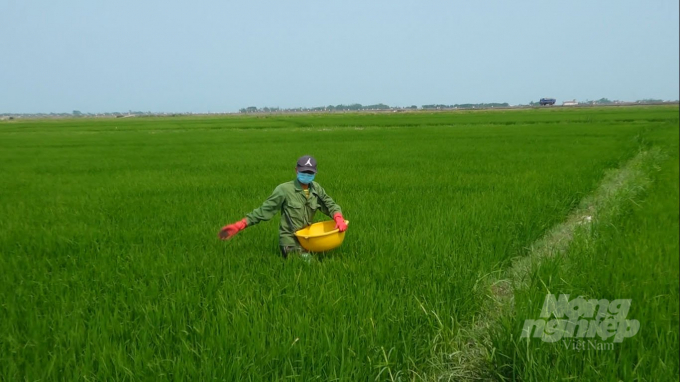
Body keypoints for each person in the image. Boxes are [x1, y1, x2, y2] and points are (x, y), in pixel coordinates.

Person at [218, 155, 348, 258]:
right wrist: (240, 224)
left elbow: (329, 203)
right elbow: (265, 210)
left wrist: (338, 217)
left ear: (315, 173)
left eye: (310, 173)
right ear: (296, 170)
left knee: (323, 260)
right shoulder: (284, 190)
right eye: (303, 172)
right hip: (290, 241)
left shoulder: (316, 188)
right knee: (308, 266)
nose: (306, 175)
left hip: (308, 239)